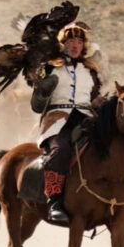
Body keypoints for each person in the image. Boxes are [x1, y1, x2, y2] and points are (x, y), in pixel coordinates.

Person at [30, 23, 102, 223]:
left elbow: (94, 97)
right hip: (58, 119)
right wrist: (42, 91)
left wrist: (102, 102)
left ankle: (117, 195)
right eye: (70, 41)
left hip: (87, 117)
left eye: (79, 41)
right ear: (63, 44)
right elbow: (36, 104)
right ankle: (54, 201)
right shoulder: (49, 67)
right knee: (61, 150)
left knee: (112, 143)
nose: (75, 45)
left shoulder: (90, 70)